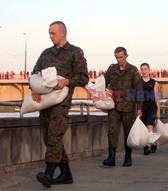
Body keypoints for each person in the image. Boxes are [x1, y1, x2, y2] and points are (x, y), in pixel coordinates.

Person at [31, 21, 89, 187]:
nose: (50, 36)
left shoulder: (75, 52)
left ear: (63, 33)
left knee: (55, 135)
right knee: (48, 137)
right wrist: (33, 88)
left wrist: (67, 82)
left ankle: (49, 173)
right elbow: (35, 73)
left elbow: (83, 77)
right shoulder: (46, 53)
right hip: (44, 101)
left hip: (61, 102)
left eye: (53, 33)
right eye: (49, 33)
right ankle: (66, 173)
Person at [103, 47, 143, 167]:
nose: (119, 59)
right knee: (112, 132)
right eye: (117, 57)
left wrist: (139, 107)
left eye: (121, 57)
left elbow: (139, 89)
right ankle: (111, 157)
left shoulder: (133, 70)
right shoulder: (111, 69)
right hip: (114, 106)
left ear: (126, 56)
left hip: (128, 107)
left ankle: (128, 157)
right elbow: (102, 83)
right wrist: (105, 91)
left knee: (128, 133)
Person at [140, 63, 161, 155]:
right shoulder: (138, 82)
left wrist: (158, 111)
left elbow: (157, 97)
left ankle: (147, 146)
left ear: (148, 70)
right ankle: (153, 143)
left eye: (145, 69)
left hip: (152, 106)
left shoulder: (154, 83)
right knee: (144, 128)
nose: (143, 71)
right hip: (142, 107)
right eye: (142, 69)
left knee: (150, 125)